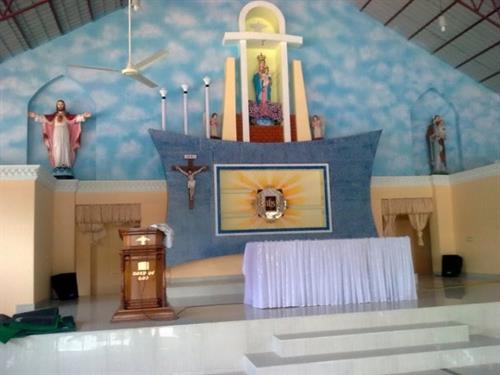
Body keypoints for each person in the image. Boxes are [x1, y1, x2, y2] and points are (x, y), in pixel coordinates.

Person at [28, 99, 91, 170]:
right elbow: (44, 118)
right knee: (57, 147)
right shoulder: (53, 116)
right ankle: (58, 165)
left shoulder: (67, 116)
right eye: (59, 104)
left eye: (61, 104)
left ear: (64, 105)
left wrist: (84, 116)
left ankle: (67, 165)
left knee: (66, 146)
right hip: (56, 132)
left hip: (65, 132)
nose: (60, 105)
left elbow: (76, 118)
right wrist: (35, 116)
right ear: (56, 106)